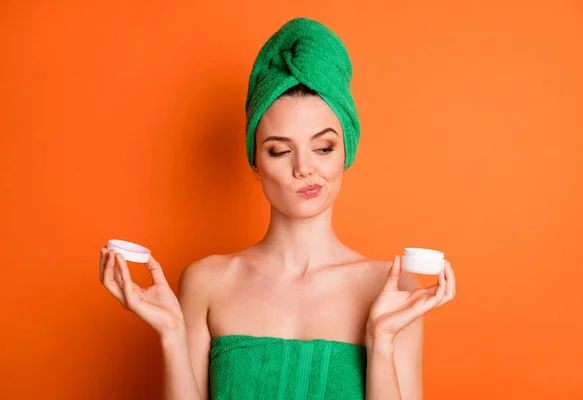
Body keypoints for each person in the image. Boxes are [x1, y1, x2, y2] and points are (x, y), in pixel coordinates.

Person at [99, 17, 456, 400]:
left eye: (323, 147)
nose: (304, 168)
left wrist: (380, 340)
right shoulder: (206, 282)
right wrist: (171, 335)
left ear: (345, 152)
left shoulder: (393, 287)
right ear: (255, 162)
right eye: (280, 150)